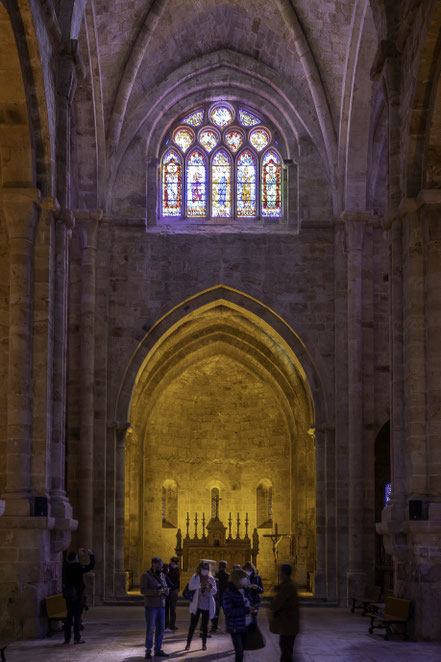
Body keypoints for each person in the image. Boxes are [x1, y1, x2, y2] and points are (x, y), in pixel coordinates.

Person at [62, 548, 95, 645]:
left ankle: (67, 638)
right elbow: (90, 566)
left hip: (68, 595)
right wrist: (91, 555)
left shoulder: (66, 567)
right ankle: (77, 638)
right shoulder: (78, 567)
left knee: (68, 617)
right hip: (78, 596)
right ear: (76, 559)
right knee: (77, 617)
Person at [222, 569, 256, 662]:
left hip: (245, 625)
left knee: (242, 652)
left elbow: (248, 603)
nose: (246, 580)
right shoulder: (229, 593)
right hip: (235, 627)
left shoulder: (245, 591)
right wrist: (246, 610)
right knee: (239, 653)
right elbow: (228, 611)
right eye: (244, 578)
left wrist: (252, 608)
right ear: (238, 579)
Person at [140, 557, 169, 659]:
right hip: (151, 606)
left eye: (161, 566)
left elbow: (165, 586)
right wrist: (155, 592)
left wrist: (166, 591)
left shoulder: (162, 575)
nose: (161, 568)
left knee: (161, 629)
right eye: (159, 566)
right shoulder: (146, 575)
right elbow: (142, 590)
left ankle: (158, 649)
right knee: (150, 629)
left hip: (161, 606)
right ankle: (148, 651)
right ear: (154, 565)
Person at [269, 563, 300, 662]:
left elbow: (276, 604)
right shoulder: (289, 585)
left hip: (287, 626)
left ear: (283, 573)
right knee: (287, 652)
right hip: (289, 625)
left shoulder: (287, 586)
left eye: (280, 571)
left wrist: (273, 598)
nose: (278, 573)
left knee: (286, 653)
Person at [185, 561, 217, 652]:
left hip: (206, 605)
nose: (205, 571)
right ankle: (188, 643)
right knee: (193, 625)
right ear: (199, 569)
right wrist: (200, 585)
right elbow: (190, 587)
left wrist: (211, 588)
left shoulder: (211, 578)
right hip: (197, 604)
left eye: (206, 569)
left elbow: (215, 592)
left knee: (205, 626)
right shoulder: (195, 577)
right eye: (203, 569)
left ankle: (204, 644)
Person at [210, 559, 229, 633]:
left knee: (216, 613)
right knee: (227, 613)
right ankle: (228, 627)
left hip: (217, 596)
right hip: (226, 597)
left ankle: (214, 627)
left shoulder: (216, 575)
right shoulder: (228, 575)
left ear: (219, 566)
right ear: (225, 567)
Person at [165, 557, 180, 631]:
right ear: (171, 562)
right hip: (168, 590)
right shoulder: (167, 569)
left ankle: (172, 625)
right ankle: (166, 625)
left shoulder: (177, 569)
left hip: (174, 591)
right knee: (166, 609)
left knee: (173, 609)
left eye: (177, 563)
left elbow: (178, 579)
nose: (176, 564)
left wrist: (178, 588)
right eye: (175, 563)